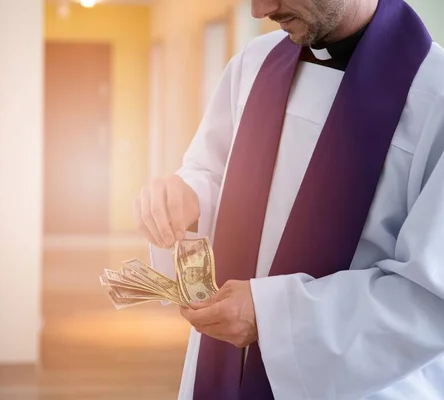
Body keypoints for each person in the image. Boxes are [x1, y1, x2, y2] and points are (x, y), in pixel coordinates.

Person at [133, 0, 444, 398]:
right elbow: (211, 172)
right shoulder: (253, 64)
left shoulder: (434, 97)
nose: (261, 10)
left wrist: (274, 319)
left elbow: (428, 299)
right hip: (225, 369)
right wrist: (185, 200)